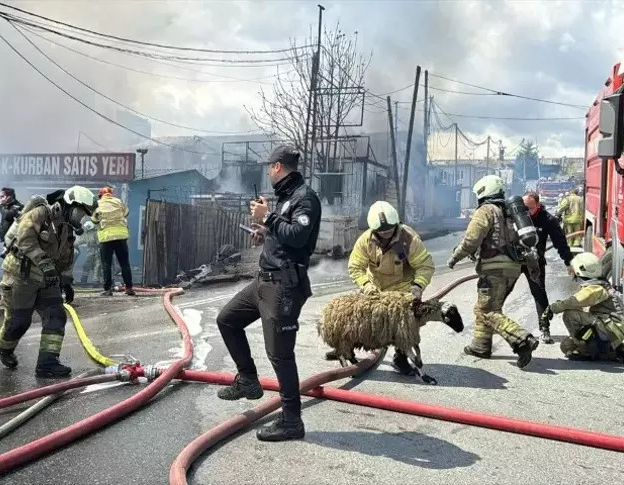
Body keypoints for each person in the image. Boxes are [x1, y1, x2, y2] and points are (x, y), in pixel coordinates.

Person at [215, 145, 321, 442]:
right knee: (227, 320)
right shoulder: (287, 198)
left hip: (284, 286)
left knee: (280, 355)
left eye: (268, 167)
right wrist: (264, 231)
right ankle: (248, 380)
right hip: (264, 282)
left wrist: (269, 218)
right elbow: (284, 235)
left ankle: (291, 421)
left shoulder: (305, 198)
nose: (267, 172)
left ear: (276, 167)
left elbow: (299, 237)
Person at [0, 186, 97, 378]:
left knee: (56, 315)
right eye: (81, 212)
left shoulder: (67, 229)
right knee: (19, 323)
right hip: (21, 275)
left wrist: (66, 281)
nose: (81, 217)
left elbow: (66, 258)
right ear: (70, 204)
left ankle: (47, 363)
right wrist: (44, 262)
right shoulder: (41, 213)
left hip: (47, 279)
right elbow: (25, 239)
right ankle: (2, 346)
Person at [447, 175, 539, 368]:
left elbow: (471, 240)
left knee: (488, 311)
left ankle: (522, 340)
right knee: (484, 308)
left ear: (482, 192)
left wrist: (455, 257)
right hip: (513, 269)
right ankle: (480, 346)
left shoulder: (486, 211)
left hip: (494, 269)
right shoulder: (509, 212)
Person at [337, 200, 435, 374]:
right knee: (365, 324)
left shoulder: (409, 239)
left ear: (396, 225)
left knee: (404, 328)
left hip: (403, 290)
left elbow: (425, 266)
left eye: (390, 231)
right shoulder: (365, 240)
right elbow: (355, 267)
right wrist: (366, 286)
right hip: (375, 289)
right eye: (382, 233)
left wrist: (418, 286)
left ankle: (401, 358)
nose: (386, 235)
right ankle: (348, 351)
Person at [542, 252, 624, 364]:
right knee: (566, 346)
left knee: (570, 315)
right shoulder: (599, 284)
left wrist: (552, 308)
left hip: (611, 330)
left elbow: (576, 301)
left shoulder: (596, 288)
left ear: (581, 270)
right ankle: (614, 349)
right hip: (611, 329)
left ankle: (594, 352)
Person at [522, 191, 573, 344]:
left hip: (535, 262)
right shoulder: (517, 216)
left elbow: (560, 242)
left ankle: (544, 328)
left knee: (539, 294)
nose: (526, 212)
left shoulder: (548, 220)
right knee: (501, 291)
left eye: (529, 208)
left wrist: (568, 261)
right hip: (515, 260)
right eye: (523, 208)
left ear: (537, 205)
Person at [92, 187, 135, 296]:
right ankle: (129, 288)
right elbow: (126, 213)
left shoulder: (97, 205)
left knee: (106, 264)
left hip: (106, 237)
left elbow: (94, 219)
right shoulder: (118, 201)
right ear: (111, 194)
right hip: (121, 236)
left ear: (101, 195)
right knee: (124, 263)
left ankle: (107, 289)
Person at [0, 187, 24, 258]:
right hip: (8, 244)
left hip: (16, 244)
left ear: (9, 197)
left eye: (2, 196)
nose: (0, 199)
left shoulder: (17, 206)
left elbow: (7, 216)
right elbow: (8, 225)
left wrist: (1, 206)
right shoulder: (7, 208)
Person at [77, 220, 102, 285]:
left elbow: (99, 243)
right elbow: (82, 241)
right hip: (90, 251)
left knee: (97, 266)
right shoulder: (88, 233)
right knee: (87, 266)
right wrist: (74, 244)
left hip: (97, 251)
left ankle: (96, 281)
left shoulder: (96, 233)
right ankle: (83, 280)